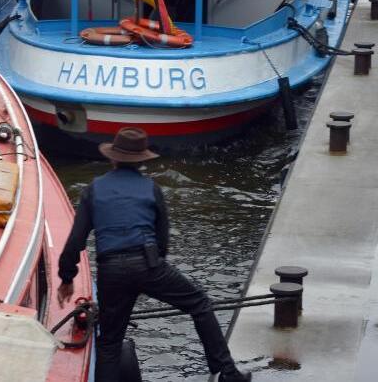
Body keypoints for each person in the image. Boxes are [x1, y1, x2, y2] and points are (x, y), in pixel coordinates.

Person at [57, 127, 252, 382]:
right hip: (149, 265)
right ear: (141, 161)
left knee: (110, 343)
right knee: (200, 304)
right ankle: (227, 373)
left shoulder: (94, 189)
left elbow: (75, 241)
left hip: (111, 271)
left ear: (113, 158)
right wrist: (151, 272)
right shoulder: (151, 188)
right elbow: (162, 240)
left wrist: (67, 278)